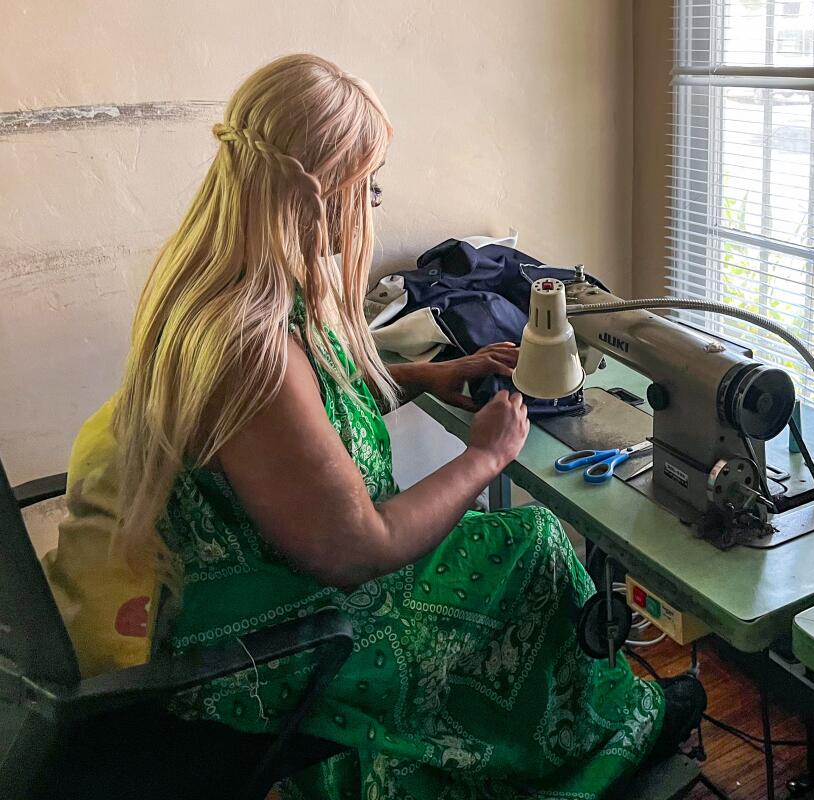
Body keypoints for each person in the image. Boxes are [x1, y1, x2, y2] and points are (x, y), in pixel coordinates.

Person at [79, 54, 704, 798]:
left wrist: (421, 377)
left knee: (528, 543)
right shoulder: (252, 348)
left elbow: (298, 431)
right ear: (317, 194)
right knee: (534, 548)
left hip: (256, 588)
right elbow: (359, 550)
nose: (375, 203)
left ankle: (587, 721)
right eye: (368, 186)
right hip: (290, 642)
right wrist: (487, 455)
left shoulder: (222, 285)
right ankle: (582, 745)